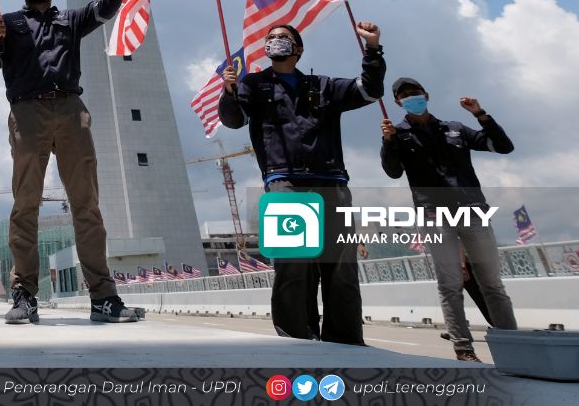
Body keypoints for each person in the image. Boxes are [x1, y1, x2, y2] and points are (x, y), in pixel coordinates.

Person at [0, 0, 145, 325]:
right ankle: (24, 297)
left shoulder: (70, 19)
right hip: (26, 112)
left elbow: (110, 1)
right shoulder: (10, 23)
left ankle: (103, 298)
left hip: (71, 110)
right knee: (26, 204)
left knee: (86, 204)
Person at [219, 21, 384, 345]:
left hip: (330, 181)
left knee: (340, 267)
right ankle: (296, 339)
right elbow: (234, 120)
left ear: (298, 48)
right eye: (270, 38)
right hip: (284, 182)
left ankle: (345, 341)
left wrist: (373, 49)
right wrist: (229, 92)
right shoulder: (253, 84)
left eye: (283, 38)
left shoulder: (322, 85)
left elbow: (369, 90)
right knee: (294, 264)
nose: (275, 41)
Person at [382, 78, 517, 361]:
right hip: (434, 215)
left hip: (472, 209)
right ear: (397, 103)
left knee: (492, 283)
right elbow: (393, 172)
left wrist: (480, 115)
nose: (411, 98)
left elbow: (503, 146)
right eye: (405, 96)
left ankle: (514, 345)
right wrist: (388, 143)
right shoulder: (399, 135)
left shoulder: (455, 128)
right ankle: (463, 347)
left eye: (415, 93)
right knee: (450, 283)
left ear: (426, 95)